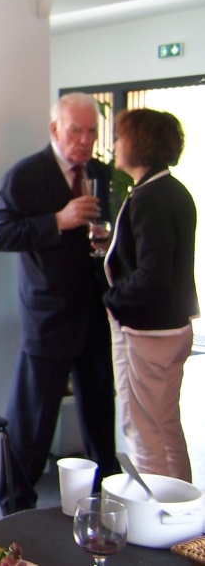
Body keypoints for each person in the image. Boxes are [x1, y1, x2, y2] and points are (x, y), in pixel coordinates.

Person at [0, 92, 120, 514]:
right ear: (55, 129)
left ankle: (106, 506)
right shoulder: (26, 174)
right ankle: (16, 510)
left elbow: (107, 233)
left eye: (92, 131)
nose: (85, 140)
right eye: (75, 130)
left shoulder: (100, 172)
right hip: (48, 315)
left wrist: (106, 240)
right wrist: (57, 221)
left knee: (100, 416)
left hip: (95, 310)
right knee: (33, 421)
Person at [103, 108, 199, 482]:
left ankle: (155, 512)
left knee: (143, 433)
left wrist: (110, 299)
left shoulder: (148, 198)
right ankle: (182, 511)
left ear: (139, 143)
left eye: (120, 136)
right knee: (166, 426)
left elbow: (152, 276)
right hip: (173, 326)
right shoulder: (173, 190)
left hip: (149, 332)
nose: (114, 144)